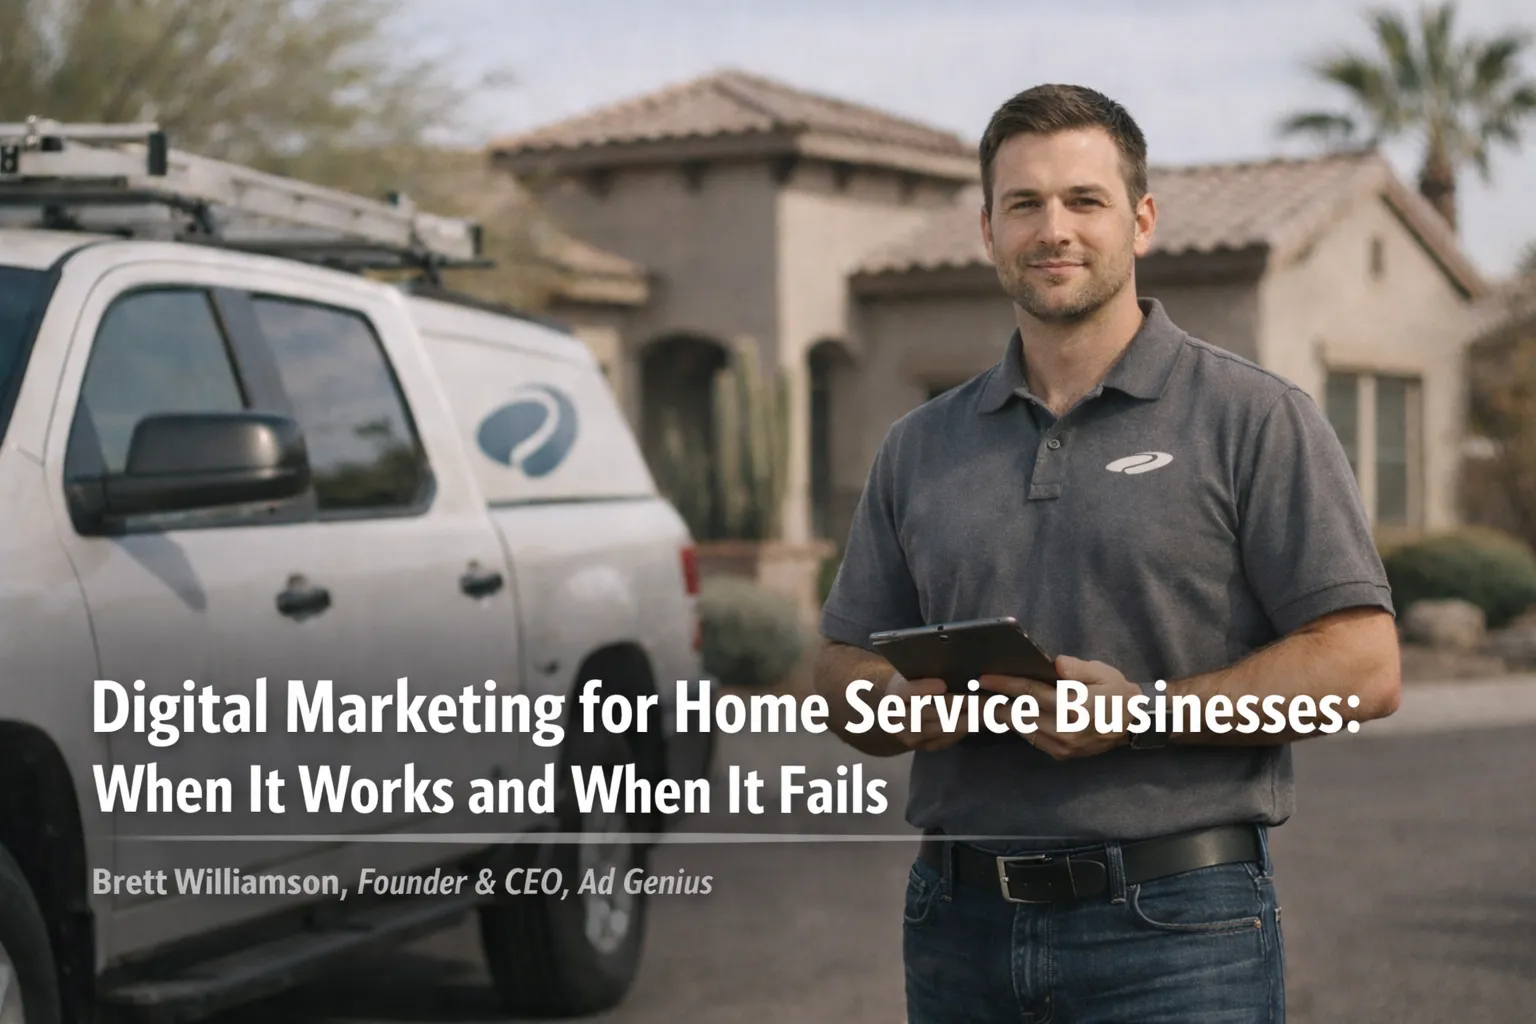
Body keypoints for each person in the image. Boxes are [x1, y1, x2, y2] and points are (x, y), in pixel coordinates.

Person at [813, 83, 1401, 1023]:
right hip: (957, 926)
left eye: (1084, 201)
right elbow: (838, 660)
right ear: (988, 229)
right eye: (1025, 204)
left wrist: (1140, 715)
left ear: (1141, 220)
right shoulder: (917, 446)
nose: (1055, 229)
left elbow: (1365, 668)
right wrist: (880, 702)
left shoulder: (1255, 418)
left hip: (1180, 932)